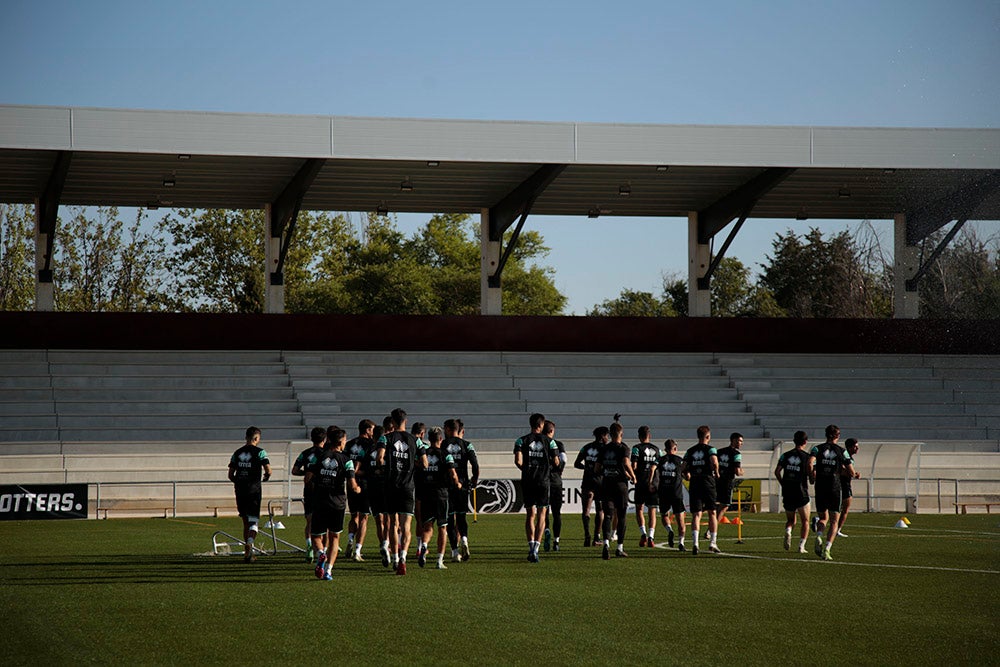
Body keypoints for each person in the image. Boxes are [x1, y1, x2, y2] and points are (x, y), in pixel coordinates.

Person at [376, 408, 426, 575]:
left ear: (392, 421)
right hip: (407, 486)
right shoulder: (415, 440)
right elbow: (425, 463)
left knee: (392, 523)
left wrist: (383, 467)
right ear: (406, 420)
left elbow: (379, 458)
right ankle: (404, 557)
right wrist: (412, 464)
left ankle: (395, 557)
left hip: (390, 485)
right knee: (406, 525)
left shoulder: (385, 437)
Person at [306, 428, 361, 580]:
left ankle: (320, 554)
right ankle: (329, 570)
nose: (345, 443)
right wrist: (358, 489)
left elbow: (307, 479)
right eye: (344, 440)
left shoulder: (318, 457)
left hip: (320, 501)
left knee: (316, 535)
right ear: (340, 441)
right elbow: (352, 485)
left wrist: (315, 487)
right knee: (334, 538)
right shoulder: (347, 460)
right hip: (338, 504)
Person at [513, 413, 560, 563]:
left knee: (530, 514)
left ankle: (530, 545)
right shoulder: (550, 442)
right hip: (543, 481)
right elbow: (557, 462)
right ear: (542, 425)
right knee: (542, 514)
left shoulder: (521, 440)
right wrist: (546, 468)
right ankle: (536, 549)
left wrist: (527, 470)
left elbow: (518, 461)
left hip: (528, 481)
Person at [809, 424, 857, 561]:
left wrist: (812, 477)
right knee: (834, 521)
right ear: (837, 436)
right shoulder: (842, 451)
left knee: (823, 517)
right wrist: (844, 471)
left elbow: (810, 463)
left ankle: (818, 535)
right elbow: (851, 472)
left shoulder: (817, 448)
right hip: (835, 487)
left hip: (820, 487)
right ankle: (827, 549)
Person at [417, 426, 461, 570]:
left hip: (425, 494)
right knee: (443, 527)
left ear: (428, 439)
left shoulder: (422, 454)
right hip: (441, 494)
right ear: (441, 439)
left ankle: (423, 546)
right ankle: (439, 560)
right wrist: (457, 484)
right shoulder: (445, 454)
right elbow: (453, 474)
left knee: (427, 527)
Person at [227, 426, 272, 563]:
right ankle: (250, 543)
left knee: (245, 521)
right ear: (257, 438)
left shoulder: (237, 452)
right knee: (254, 521)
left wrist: (239, 483)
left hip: (240, 490)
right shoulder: (260, 452)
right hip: (254, 490)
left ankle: (248, 553)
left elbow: (230, 475)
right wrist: (266, 476)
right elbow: (268, 470)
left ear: (246, 437)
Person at [597, 421, 637, 559]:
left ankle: (606, 544)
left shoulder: (604, 449)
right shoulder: (623, 448)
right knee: (621, 516)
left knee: (608, 515)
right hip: (620, 485)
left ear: (610, 434)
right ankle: (619, 547)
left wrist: (607, 470)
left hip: (607, 484)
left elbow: (597, 468)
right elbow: (626, 463)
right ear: (621, 434)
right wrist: (633, 475)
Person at [443, 418, 479, 562]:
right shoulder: (467, 445)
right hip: (463, 485)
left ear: (447, 429)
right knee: (462, 516)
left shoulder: (443, 444)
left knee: (450, 519)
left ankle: (454, 551)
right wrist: (474, 480)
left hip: (448, 485)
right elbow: (475, 465)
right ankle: (464, 539)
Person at [682, 425, 720, 555]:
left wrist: (686, 474)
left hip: (695, 482)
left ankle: (695, 543)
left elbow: (683, 467)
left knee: (696, 514)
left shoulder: (690, 451)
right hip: (708, 481)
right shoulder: (711, 449)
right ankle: (713, 543)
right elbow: (714, 462)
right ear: (708, 436)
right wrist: (717, 472)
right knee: (712, 513)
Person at [291, 426, 327, 562]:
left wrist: (305, 473)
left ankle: (309, 547)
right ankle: (322, 549)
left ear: (312, 439)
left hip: (309, 490)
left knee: (310, 520)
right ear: (325, 439)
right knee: (323, 521)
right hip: (323, 490)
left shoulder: (305, 453)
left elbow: (294, 471)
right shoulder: (326, 453)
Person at [775, 431, 814, 554]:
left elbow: (777, 471)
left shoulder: (785, 455)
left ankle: (788, 531)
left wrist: (783, 484)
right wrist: (812, 479)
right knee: (805, 521)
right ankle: (801, 546)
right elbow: (811, 473)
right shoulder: (807, 457)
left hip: (788, 491)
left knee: (791, 520)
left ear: (794, 441)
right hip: (801, 491)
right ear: (805, 442)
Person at [345, 419, 376, 562]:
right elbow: (370, 467)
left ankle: (350, 540)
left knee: (353, 516)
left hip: (350, 484)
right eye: (372, 429)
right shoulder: (370, 445)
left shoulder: (349, 444)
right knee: (364, 517)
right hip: (364, 484)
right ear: (368, 430)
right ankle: (357, 550)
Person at [574, 426, 609, 547]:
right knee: (600, 510)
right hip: (600, 482)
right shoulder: (604, 449)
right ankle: (596, 537)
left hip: (587, 482)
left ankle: (587, 536)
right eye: (607, 436)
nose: (608, 438)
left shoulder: (586, 447)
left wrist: (587, 468)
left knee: (586, 510)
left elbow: (576, 463)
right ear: (603, 436)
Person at [652, 439, 687, 551]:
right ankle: (681, 542)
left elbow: (653, 469)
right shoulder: (680, 461)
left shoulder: (660, 460)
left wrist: (652, 483)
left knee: (664, 515)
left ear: (665, 449)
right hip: (676, 493)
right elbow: (688, 476)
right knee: (680, 519)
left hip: (663, 492)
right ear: (675, 448)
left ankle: (670, 531)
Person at [366, 418, 392, 567]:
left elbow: (359, 469)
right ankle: (387, 544)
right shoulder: (387, 450)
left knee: (378, 520)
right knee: (388, 519)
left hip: (372, 487)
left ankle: (382, 543)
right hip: (386, 486)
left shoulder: (368, 450)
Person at [630, 425, 660, 547]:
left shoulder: (636, 449)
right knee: (652, 510)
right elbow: (660, 465)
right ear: (649, 435)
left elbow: (634, 466)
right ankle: (651, 537)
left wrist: (633, 476)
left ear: (639, 436)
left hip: (641, 482)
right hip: (653, 483)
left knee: (639, 509)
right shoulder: (657, 449)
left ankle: (643, 535)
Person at [542, 420, 567, 552]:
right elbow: (564, 460)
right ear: (551, 431)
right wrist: (559, 471)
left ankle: (546, 530)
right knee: (557, 513)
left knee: (543, 511)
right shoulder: (558, 444)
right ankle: (556, 541)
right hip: (556, 481)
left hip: (543, 481)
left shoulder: (539, 443)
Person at [713, 432, 745, 532]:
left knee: (713, 505)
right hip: (727, 482)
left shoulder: (719, 451)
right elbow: (737, 471)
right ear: (734, 440)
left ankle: (710, 528)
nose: (741, 443)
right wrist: (742, 472)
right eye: (739, 441)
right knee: (724, 505)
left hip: (716, 480)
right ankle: (712, 530)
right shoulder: (736, 454)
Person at [836, 438, 862, 538]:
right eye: (855, 446)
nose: (857, 448)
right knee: (844, 509)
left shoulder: (850, 458)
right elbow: (842, 469)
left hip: (844, 484)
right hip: (843, 485)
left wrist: (854, 474)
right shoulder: (844, 456)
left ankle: (819, 520)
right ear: (850, 447)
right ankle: (837, 530)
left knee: (840, 508)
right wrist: (854, 474)